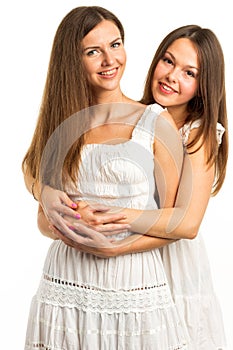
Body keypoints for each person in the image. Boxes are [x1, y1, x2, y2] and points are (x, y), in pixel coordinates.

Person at [28, 23, 228, 349]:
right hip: (127, 261)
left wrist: (114, 232)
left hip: (169, 254)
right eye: (167, 61)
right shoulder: (138, 116)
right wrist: (45, 193)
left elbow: (187, 223)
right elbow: (32, 168)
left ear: (204, 85)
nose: (172, 76)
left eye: (189, 73)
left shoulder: (197, 133)